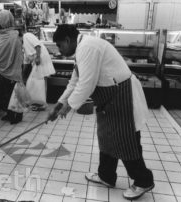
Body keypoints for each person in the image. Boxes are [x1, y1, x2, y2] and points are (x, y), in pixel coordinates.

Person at [48, 24, 154, 200]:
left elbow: (86, 85)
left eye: (59, 45)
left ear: (67, 40)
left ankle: (143, 180)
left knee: (125, 140)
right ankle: (106, 175)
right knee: (105, 136)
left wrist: (68, 107)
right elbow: (75, 81)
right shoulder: (82, 48)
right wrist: (59, 104)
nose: (59, 50)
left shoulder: (87, 47)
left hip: (122, 96)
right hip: (109, 98)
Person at [21, 31, 56, 110]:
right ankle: (39, 104)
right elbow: (26, 63)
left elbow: (38, 46)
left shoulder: (27, 35)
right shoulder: (23, 48)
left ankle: (40, 104)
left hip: (40, 59)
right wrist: (22, 77)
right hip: (37, 62)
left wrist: (37, 57)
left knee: (36, 82)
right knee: (38, 82)